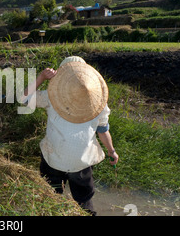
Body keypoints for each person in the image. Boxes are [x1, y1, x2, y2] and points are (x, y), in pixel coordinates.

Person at [22, 56, 119, 216]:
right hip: (81, 161)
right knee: (85, 203)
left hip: (54, 158)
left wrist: (41, 77)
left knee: (49, 200)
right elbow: (103, 130)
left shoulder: (51, 97)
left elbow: (24, 99)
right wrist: (111, 151)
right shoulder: (99, 102)